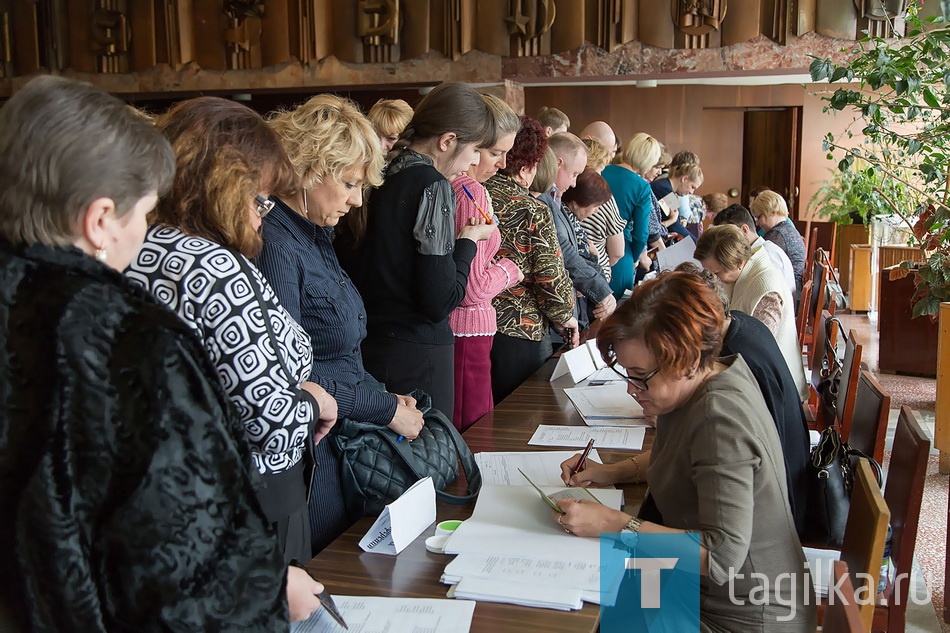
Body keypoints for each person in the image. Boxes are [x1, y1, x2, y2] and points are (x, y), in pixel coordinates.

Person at [0, 75, 323, 630]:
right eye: (142, 212)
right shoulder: (126, 336)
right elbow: (174, 546)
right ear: (100, 220)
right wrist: (269, 585)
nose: (145, 233)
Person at [126, 97, 339, 566]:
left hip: (176, 495)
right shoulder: (213, 264)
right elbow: (272, 425)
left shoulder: (137, 244)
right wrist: (316, 401)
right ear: (221, 186)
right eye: (257, 197)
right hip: (254, 494)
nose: (262, 213)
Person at [556, 272, 815, 632]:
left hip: (743, 616)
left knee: (595, 609)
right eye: (627, 374)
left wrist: (612, 523)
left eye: (641, 376)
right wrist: (612, 471)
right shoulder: (714, 375)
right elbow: (689, 459)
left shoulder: (719, 419)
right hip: (707, 592)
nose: (633, 390)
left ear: (688, 360)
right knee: (609, 595)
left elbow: (721, 558)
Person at [253, 94, 425, 552]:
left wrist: (382, 397)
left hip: (342, 430)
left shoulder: (314, 233)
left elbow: (339, 351)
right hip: (315, 448)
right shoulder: (276, 245)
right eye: (350, 183)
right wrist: (383, 408)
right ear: (309, 170)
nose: (356, 200)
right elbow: (289, 375)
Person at [344, 82, 496, 417]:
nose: (471, 162)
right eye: (474, 150)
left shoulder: (373, 173)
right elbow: (439, 300)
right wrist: (468, 242)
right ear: (447, 141)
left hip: (368, 348)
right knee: (426, 465)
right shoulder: (432, 185)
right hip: (417, 356)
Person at [677, 264, 809, 536]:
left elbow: (723, 551)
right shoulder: (737, 321)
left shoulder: (736, 362)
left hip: (778, 512)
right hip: (788, 479)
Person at [485, 117, 577, 403]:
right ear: (527, 167)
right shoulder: (530, 209)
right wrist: (565, 317)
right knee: (515, 414)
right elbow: (550, 274)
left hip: (471, 328)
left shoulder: (471, 192)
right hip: (518, 329)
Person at [448, 94, 523, 430]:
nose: (503, 164)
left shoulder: (462, 188)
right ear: (473, 147)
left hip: (464, 327)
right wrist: (509, 270)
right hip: (467, 327)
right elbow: (471, 288)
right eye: (495, 153)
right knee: (472, 427)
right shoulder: (469, 191)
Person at [695, 224, 808, 400]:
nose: (714, 279)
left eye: (717, 272)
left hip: (774, 389)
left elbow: (756, 355)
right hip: (749, 373)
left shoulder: (766, 289)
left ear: (739, 262)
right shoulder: (741, 273)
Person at [538, 133, 616, 329]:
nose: (574, 183)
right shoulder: (541, 198)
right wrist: (602, 292)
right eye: (573, 174)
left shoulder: (556, 199)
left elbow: (582, 255)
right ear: (558, 163)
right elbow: (565, 253)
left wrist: (603, 289)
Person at [602, 132, 663, 298]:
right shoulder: (641, 186)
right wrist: (636, 256)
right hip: (622, 251)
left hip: (591, 243)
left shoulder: (602, 170)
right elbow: (641, 233)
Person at [713, 203, 796, 297]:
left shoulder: (768, 255)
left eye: (727, 236)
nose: (723, 243)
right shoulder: (755, 251)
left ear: (744, 230)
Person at [578, 137, 626, 282]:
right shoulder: (602, 197)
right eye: (600, 170)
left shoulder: (563, 193)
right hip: (593, 276)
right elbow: (617, 252)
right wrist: (601, 263)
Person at [752, 190, 806, 301]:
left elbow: (759, 263)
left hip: (788, 297)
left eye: (759, 217)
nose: (757, 223)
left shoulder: (777, 235)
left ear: (772, 212)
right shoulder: (787, 229)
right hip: (795, 292)